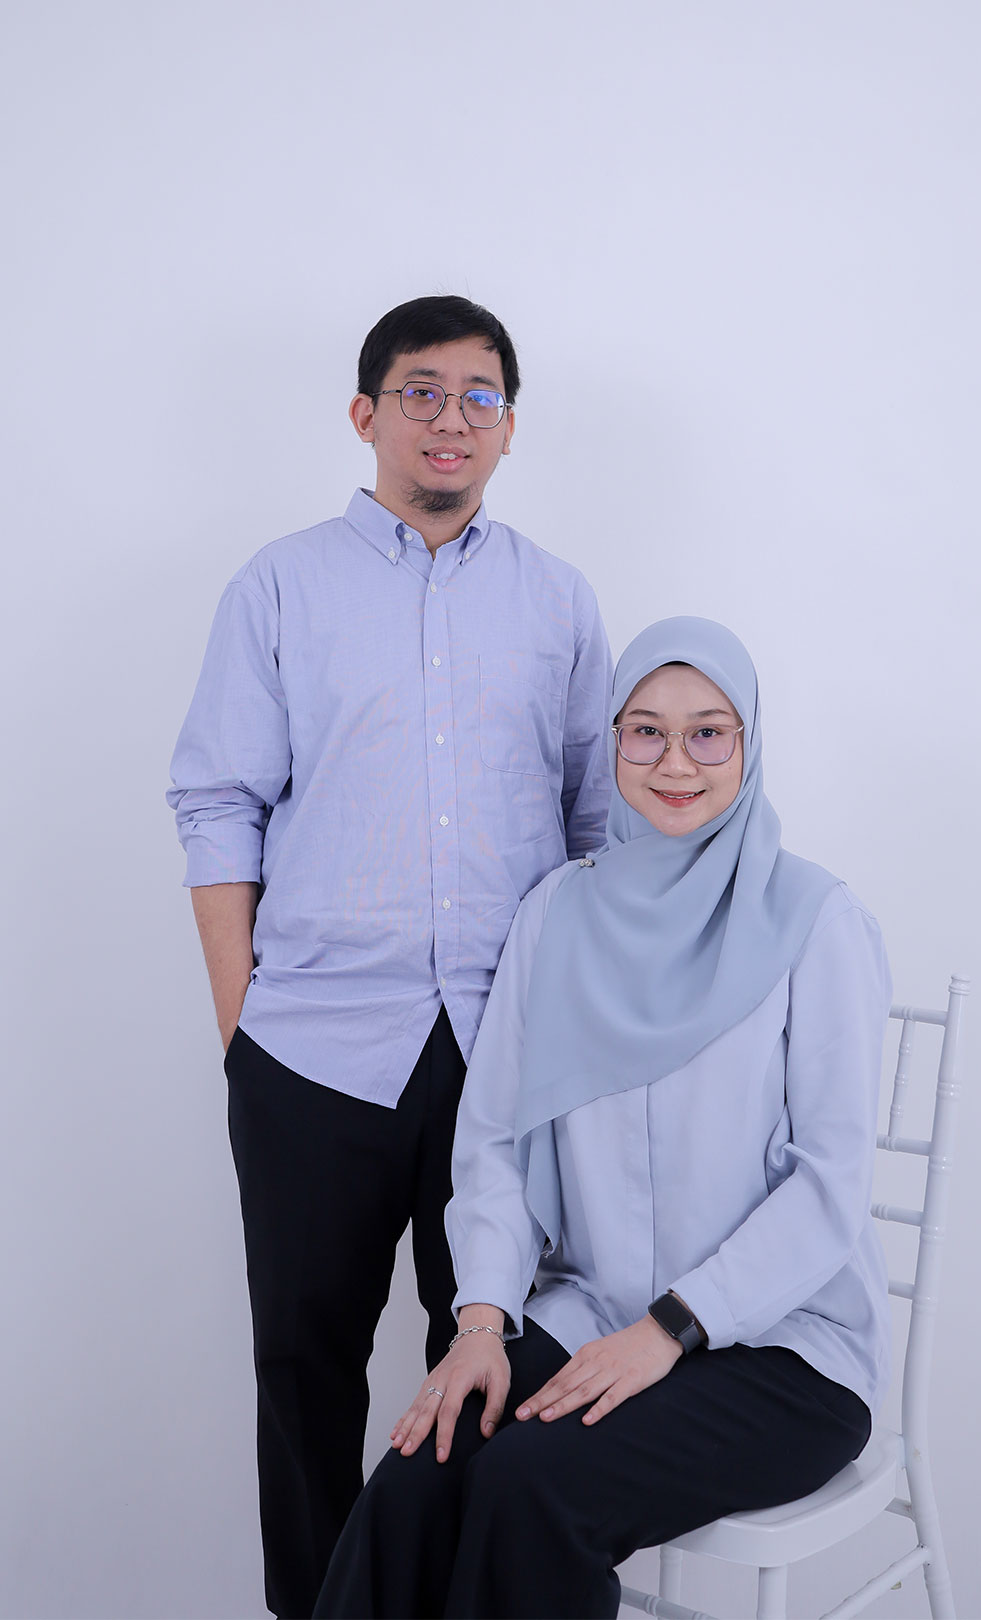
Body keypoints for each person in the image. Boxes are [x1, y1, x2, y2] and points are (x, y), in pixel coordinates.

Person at [167, 295, 611, 1619]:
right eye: (421, 390)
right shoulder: (281, 586)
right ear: (366, 414)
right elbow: (217, 802)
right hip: (311, 1050)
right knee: (304, 1369)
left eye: (481, 396)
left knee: (490, 1361)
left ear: (511, 428)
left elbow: (596, 825)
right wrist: (242, 1028)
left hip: (506, 1052)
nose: (450, 418)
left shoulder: (558, 599)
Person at [314, 616, 893, 1620]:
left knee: (529, 1486)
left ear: (750, 743)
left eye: (708, 732)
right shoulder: (557, 915)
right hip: (594, 1317)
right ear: (614, 742)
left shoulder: (816, 921)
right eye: (646, 732)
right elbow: (494, 1146)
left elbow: (829, 1190)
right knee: (419, 1472)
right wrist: (481, 1325)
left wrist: (672, 1328)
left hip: (787, 1351)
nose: (676, 762)